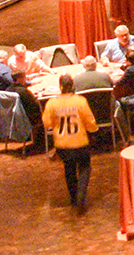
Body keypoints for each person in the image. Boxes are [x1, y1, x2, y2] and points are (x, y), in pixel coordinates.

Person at [42, 74, 99, 213]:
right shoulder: (80, 101)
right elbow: (90, 122)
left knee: (69, 170)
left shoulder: (52, 103)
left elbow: (47, 123)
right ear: (72, 86)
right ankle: (81, 197)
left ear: (60, 87)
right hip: (80, 142)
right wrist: (94, 131)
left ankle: (73, 199)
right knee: (85, 168)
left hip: (62, 145)